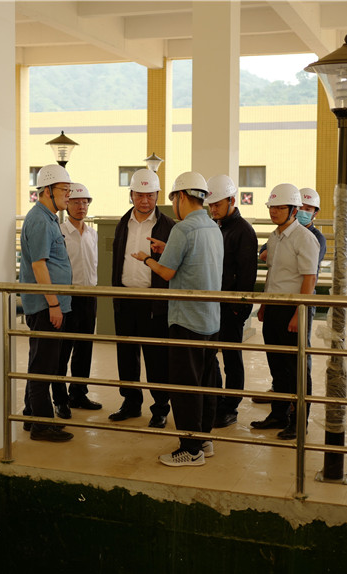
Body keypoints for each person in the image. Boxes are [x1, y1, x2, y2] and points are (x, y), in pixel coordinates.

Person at [132, 171, 223, 467]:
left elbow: (167, 272)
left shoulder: (183, 229)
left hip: (186, 320)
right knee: (206, 383)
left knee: (185, 387)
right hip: (210, 319)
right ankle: (204, 440)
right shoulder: (213, 227)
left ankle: (190, 449)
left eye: (173, 199)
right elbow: (192, 261)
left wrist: (147, 259)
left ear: (181, 196)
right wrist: (165, 248)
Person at [251, 183, 319, 440]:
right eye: (272, 207)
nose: (274, 212)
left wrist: (298, 314)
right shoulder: (275, 236)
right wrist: (264, 305)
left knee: (296, 369)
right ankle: (279, 414)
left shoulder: (304, 238)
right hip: (274, 308)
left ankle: (299, 421)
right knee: (277, 365)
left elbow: (309, 278)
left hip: (293, 309)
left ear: (293, 210)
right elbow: (273, 273)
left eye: (280, 208)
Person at [110, 168, 174, 428]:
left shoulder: (168, 226)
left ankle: (160, 407)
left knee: (157, 357)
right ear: (131, 195)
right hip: (125, 298)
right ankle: (130, 402)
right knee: (126, 355)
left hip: (154, 302)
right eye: (139, 195)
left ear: (158, 195)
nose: (144, 200)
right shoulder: (123, 222)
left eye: (149, 195)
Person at [19, 164, 75, 442]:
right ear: (48, 190)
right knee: (44, 366)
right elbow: (39, 265)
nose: (69, 195)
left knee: (42, 362)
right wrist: (53, 304)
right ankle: (41, 425)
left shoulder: (48, 218)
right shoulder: (40, 220)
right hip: (45, 307)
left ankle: (32, 414)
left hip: (50, 304)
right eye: (65, 190)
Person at [204, 175, 258, 428]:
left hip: (232, 307)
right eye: (210, 205)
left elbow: (247, 275)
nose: (213, 209)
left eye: (218, 204)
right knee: (211, 354)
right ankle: (216, 399)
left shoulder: (243, 231)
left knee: (232, 358)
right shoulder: (216, 226)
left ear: (232, 201)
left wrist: (240, 308)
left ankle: (231, 406)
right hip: (214, 304)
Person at [52, 182, 103, 419]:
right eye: (76, 202)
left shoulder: (92, 234)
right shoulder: (60, 233)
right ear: (68, 204)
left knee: (84, 349)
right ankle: (60, 399)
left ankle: (79, 393)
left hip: (89, 297)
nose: (81, 206)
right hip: (67, 298)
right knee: (62, 351)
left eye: (85, 202)